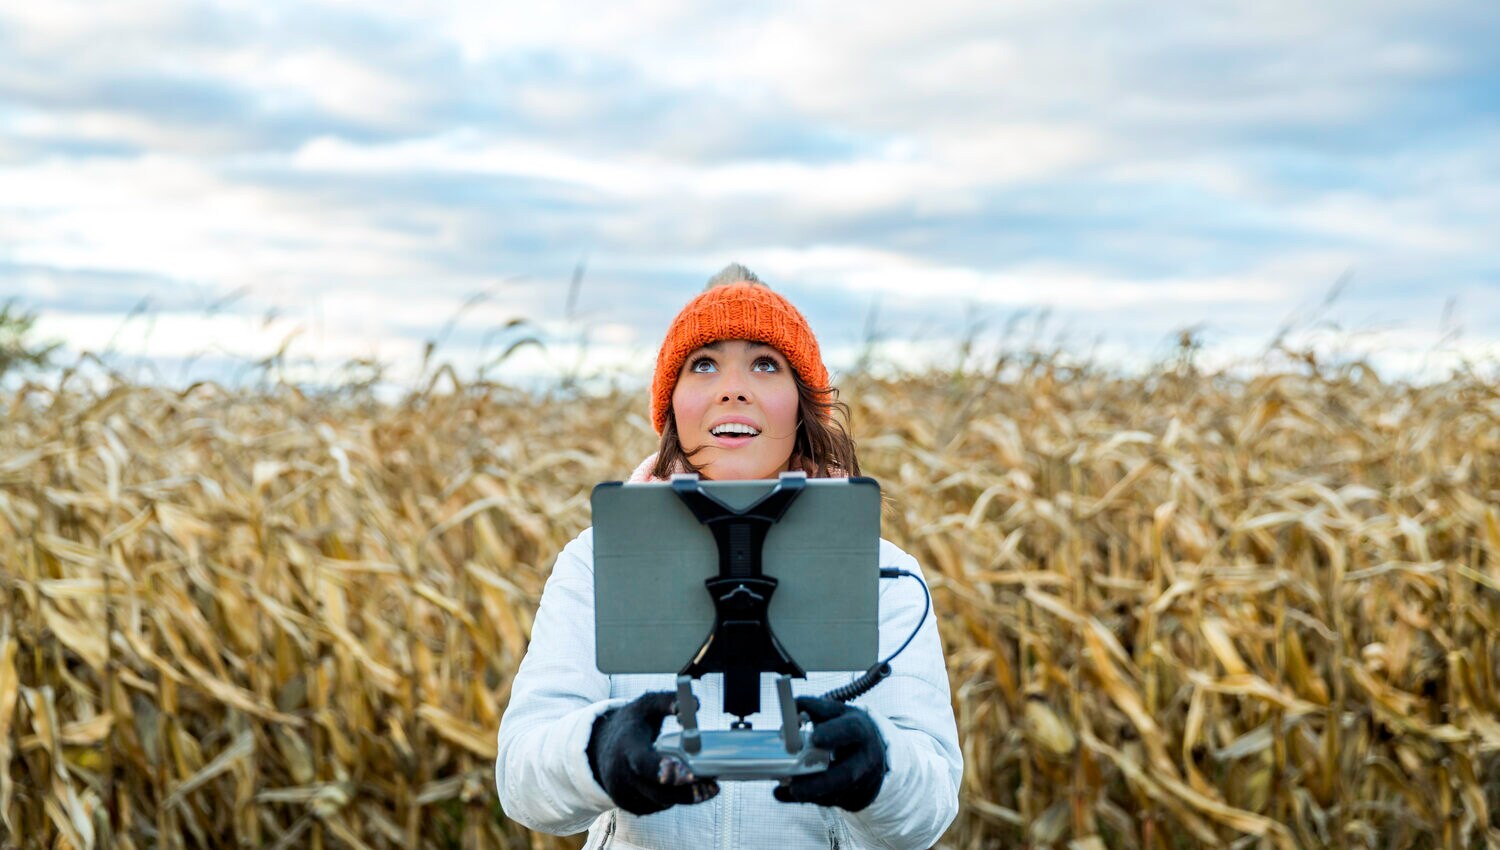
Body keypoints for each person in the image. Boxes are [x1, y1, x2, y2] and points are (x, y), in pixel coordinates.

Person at [494, 265, 962, 850]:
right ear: (671, 408)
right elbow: (521, 779)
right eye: (704, 364)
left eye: (765, 363)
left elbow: (932, 806)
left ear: (803, 407)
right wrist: (599, 749)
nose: (732, 388)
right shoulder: (596, 562)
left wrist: (879, 770)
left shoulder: (885, 577)